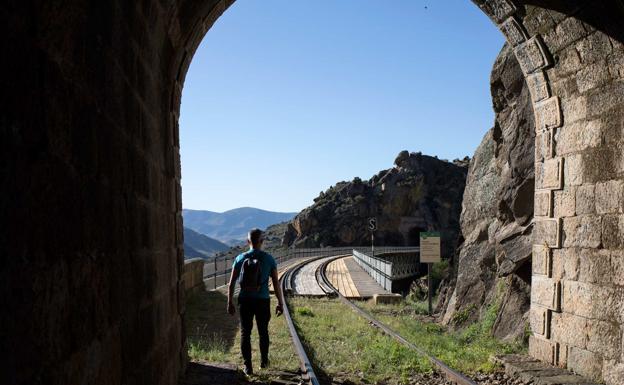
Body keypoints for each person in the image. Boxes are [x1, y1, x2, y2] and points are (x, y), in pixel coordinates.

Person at [227, 228, 284, 376]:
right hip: (262, 300)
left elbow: (232, 282)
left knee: (245, 333)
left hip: (245, 300)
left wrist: (229, 302)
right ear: (262, 242)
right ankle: (264, 362)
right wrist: (280, 302)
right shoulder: (269, 259)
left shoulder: (240, 258)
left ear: (248, 241)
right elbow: (276, 284)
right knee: (263, 332)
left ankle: (248, 367)